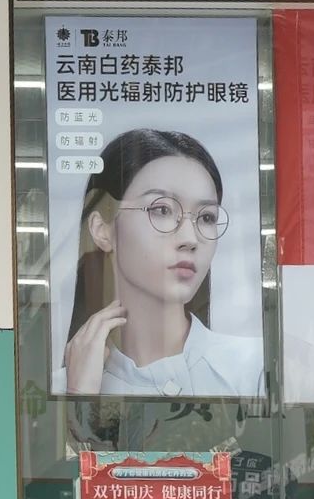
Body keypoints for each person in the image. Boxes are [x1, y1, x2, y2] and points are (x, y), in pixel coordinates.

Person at [57, 128, 264, 397]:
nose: (190, 239)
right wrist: (79, 397)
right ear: (102, 230)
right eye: (162, 210)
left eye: (206, 217)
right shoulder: (62, 388)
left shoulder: (255, 371)